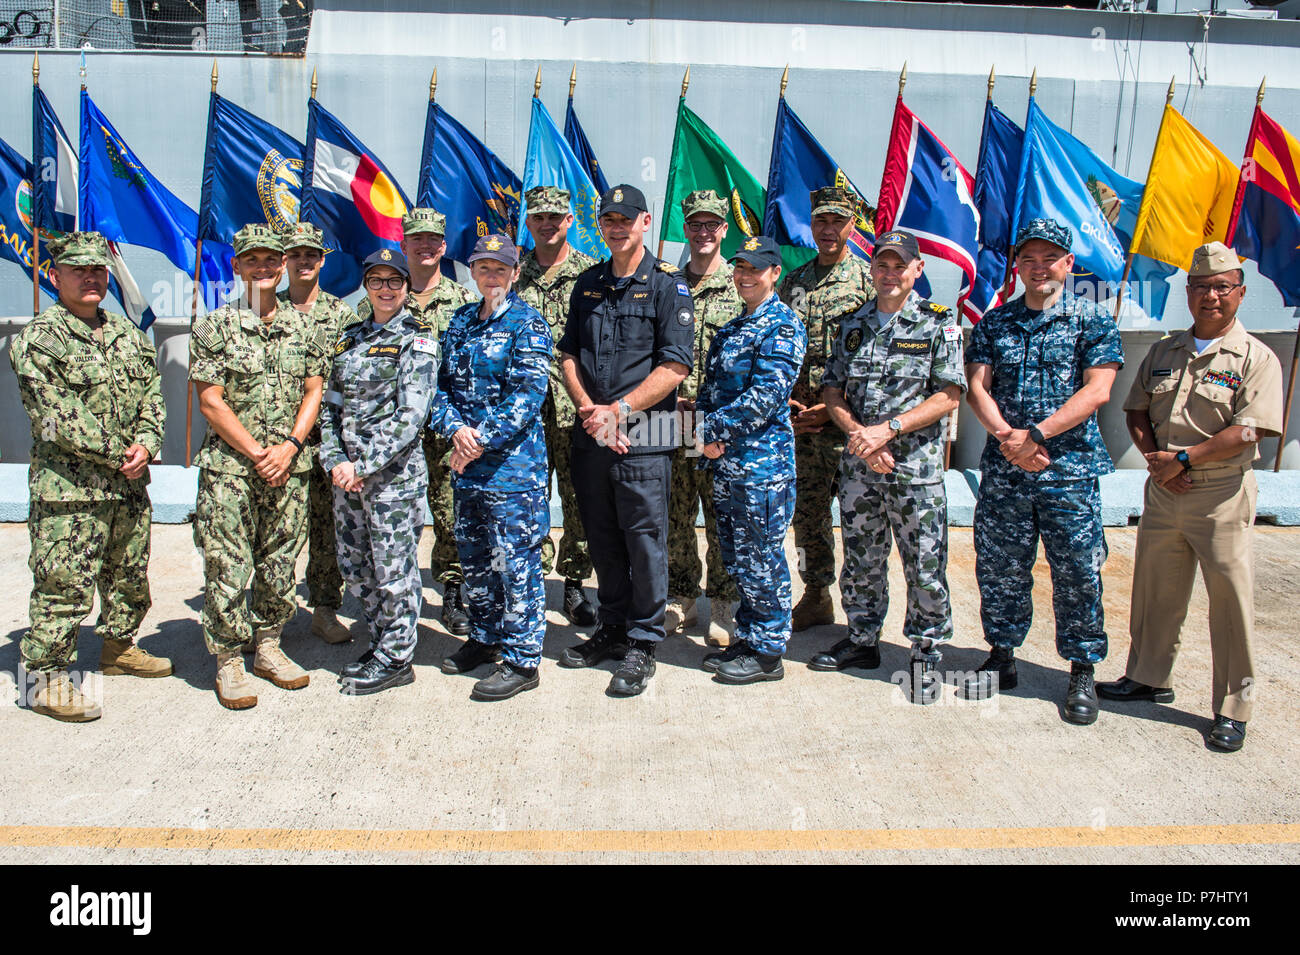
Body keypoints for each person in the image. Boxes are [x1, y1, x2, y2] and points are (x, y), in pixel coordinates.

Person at [1098, 241, 1283, 752]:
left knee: (1230, 603)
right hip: (1164, 487)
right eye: (1201, 287)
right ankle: (1149, 677)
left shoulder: (1256, 358)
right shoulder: (1164, 351)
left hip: (1220, 494)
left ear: (1240, 293)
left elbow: (1253, 430)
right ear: (1188, 293)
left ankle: (1234, 707)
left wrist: (1185, 460)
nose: (1211, 296)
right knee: (1156, 592)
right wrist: (1159, 460)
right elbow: (1136, 412)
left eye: (1222, 287)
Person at [962, 217, 1123, 725]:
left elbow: (1097, 390)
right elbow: (976, 388)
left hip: (1067, 470)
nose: (1038, 268)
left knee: (1076, 571)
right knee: (1001, 567)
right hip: (1007, 471)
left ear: (1068, 264)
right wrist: (1010, 441)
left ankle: (1081, 669)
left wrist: (1035, 435)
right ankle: (1002, 655)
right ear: (1018, 265)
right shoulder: (995, 323)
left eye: (1048, 259)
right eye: (1028, 259)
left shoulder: (1091, 321)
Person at [9, 231, 171, 722]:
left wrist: (147, 443)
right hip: (69, 491)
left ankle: (117, 647)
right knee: (63, 584)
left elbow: (152, 394)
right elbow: (55, 414)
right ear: (55, 276)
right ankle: (44, 679)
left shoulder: (125, 334)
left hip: (127, 485)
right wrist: (119, 451)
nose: (91, 278)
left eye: (98, 270)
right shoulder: (41, 338)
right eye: (79, 271)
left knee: (127, 576)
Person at [813, 231, 966, 703]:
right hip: (861, 466)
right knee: (862, 558)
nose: (890, 273)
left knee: (924, 562)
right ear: (872, 268)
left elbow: (949, 394)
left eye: (900, 265)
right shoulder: (849, 325)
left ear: (917, 270)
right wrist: (861, 435)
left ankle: (926, 651)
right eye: (882, 264)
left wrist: (889, 429)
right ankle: (862, 640)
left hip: (914, 470)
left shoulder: (939, 324)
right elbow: (832, 390)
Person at [556, 184, 694, 697]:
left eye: (625, 218)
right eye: (608, 219)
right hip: (593, 431)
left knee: (644, 539)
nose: (616, 227)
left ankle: (643, 641)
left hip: (646, 432)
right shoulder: (587, 284)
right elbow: (568, 351)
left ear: (645, 222)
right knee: (603, 535)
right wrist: (588, 408)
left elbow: (676, 364)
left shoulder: (666, 286)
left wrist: (620, 410)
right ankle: (611, 627)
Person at [190, 223, 329, 710]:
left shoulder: (304, 326)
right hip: (232, 469)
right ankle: (228, 657)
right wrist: (258, 452)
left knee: (279, 562)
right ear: (237, 266)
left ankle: (269, 644)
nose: (265, 268)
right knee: (228, 564)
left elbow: (314, 389)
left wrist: (290, 446)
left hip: (288, 465)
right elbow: (211, 401)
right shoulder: (214, 326)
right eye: (254, 260)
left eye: (273, 260)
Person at [433, 235, 552, 700]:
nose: (491, 275)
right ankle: (484, 638)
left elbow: (527, 395)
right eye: (483, 267)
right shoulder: (461, 321)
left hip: (512, 472)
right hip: (468, 468)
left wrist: (477, 438)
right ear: (474, 272)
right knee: (476, 559)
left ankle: (523, 659)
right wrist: (456, 431)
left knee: (515, 562)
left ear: (515, 273)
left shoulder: (529, 325)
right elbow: (438, 389)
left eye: (500, 268)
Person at [321, 249, 439, 695]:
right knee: (356, 566)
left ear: (407, 289)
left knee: (394, 570)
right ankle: (380, 639)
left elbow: (411, 416)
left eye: (395, 281)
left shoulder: (418, 339)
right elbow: (331, 409)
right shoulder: (348, 338)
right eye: (377, 281)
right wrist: (334, 461)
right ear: (366, 287)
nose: (386, 289)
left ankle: (397, 656)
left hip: (392, 480)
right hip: (346, 479)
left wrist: (362, 465)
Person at [357, 208, 476, 637]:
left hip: (445, 428)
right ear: (403, 245)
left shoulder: (464, 303)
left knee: (450, 514)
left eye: (433, 240)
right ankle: (392, 597)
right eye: (416, 240)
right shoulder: (377, 301)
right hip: (391, 435)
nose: (425, 247)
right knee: (393, 518)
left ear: (443, 247)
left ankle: (454, 591)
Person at [694, 236, 806, 683]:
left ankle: (768, 654)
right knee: (739, 558)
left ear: (774, 273)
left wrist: (707, 433)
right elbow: (713, 392)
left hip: (762, 468)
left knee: (762, 557)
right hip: (726, 465)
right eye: (739, 267)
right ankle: (752, 634)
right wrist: (706, 438)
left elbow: (764, 398)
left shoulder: (781, 326)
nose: (744, 276)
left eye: (755, 269)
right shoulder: (735, 325)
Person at [777, 186, 875, 632]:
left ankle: (863, 607)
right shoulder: (794, 281)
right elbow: (779, 344)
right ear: (812, 225)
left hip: (853, 424)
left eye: (838, 221)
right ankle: (816, 594)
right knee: (808, 515)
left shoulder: (869, 281)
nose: (829, 230)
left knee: (860, 519)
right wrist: (792, 403)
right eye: (822, 221)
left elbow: (880, 356)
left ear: (853, 226)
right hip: (803, 425)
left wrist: (833, 408)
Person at [513, 185, 598, 626]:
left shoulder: (592, 275)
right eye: (538, 217)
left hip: (575, 409)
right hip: (523, 415)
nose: (547, 224)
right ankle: (531, 578)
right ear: (529, 223)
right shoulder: (512, 273)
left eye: (555, 217)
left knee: (578, 498)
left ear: (570, 221)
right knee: (528, 500)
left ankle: (573, 585)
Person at [666, 190, 742, 645]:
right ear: (685, 227)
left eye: (712, 224)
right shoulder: (666, 284)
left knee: (721, 516)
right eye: (695, 224)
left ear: (724, 230)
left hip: (721, 427)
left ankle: (724, 603)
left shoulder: (742, 283)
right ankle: (681, 598)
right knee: (674, 515)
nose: (703, 232)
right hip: (669, 423)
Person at [278, 221, 358, 645]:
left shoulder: (342, 315)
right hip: (282, 440)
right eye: (296, 254)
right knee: (278, 529)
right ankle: (270, 611)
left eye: (312, 254)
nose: (304, 261)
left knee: (328, 527)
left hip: (327, 440)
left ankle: (325, 608)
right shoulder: (265, 310)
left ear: (323, 260)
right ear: (284, 261)